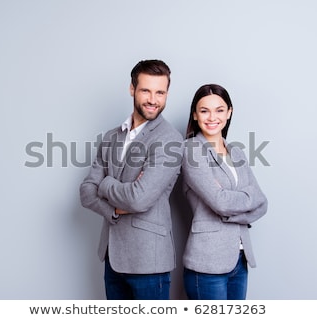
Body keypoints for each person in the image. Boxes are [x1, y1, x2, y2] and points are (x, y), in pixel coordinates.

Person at [79, 59, 183, 300]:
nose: (153, 100)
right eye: (146, 90)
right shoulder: (111, 137)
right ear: (132, 89)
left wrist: (104, 184)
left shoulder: (169, 140)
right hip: (112, 257)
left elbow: (139, 199)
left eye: (160, 92)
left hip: (149, 261)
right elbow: (85, 192)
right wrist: (114, 209)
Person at [181, 84, 268, 300]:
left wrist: (229, 208)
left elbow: (262, 202)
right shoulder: (191, 150)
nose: (212, 117)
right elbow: (220, 202)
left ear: (229, 112)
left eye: (219, 110)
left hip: (240, 258)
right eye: (204, 110)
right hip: (207, 262)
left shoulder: (236, 151)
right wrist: (242, 200)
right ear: (195, 114)